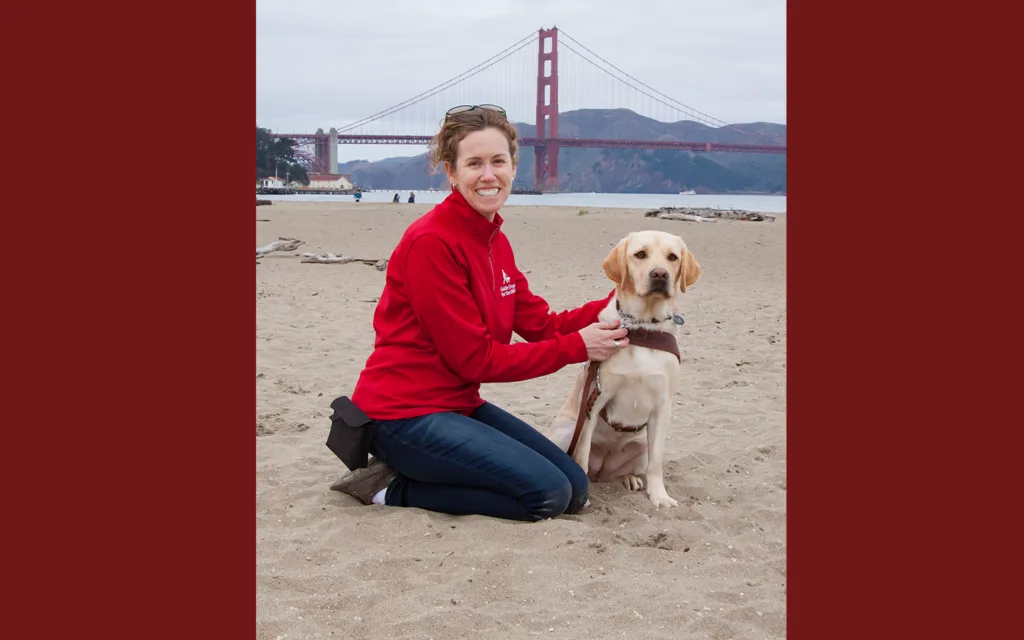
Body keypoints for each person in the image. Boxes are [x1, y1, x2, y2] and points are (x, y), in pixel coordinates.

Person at [331, 104, 628, 522]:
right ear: (452, 173)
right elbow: (476, 360)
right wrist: (579, 347)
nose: (488, 175)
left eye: (498, 162)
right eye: (474, 164)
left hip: (457, 405)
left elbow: (541, 326)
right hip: (403, 416)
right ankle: (387, 488)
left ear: (512, 167)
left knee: (575, 489)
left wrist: (620, 300)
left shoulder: (494, 241)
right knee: (546, 496)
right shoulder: (431, 244)